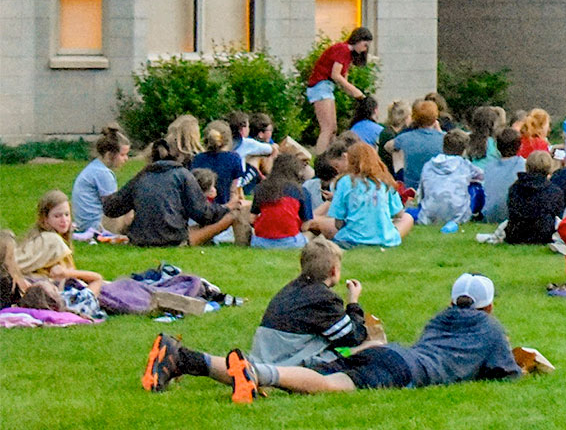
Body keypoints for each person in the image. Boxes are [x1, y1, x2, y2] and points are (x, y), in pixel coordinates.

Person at [216, 274, 527, 402]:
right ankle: (255, 374)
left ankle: (194, 360)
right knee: (330, 386)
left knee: (314, 374)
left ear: (452, 302)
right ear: (490, 306)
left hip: (388, 352)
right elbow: (506, 373)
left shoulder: (440, 318)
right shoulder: (491, 328)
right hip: (402, 368)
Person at [144, 238, 369, 395]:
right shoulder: (324, 298)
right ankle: (181, 357)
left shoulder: (292, 288)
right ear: (333, 271)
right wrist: (353, 303)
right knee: (348, 361)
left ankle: (181, 357)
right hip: (286, 353)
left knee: (248, 368)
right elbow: (351, 338)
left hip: (270, 345)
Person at [101, 124, 239, 247]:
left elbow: (112, 209)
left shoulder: (141, 177)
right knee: (231, 216)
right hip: (173, 239)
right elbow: (203, 214)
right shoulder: (182, 175)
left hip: (140, 239)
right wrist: (226, 207)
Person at [328, 142, 412, 248]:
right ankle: (387, 237)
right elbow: (398, 213)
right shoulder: (385, 180)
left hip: (352, 239)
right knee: (407, 217)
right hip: (384, 238)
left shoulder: (345, 182)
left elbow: (338, 222)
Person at [17, 190, 103, 291]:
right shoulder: (51, 240)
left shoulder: (47, 238)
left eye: (67, 214)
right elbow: (67, 275)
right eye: (57, 216)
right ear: (44, 219)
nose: (64, 220)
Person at [307, 27, 372, 152]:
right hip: (320, 86)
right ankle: (321, 159)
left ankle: (331, 156)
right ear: (358, 40)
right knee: (327, 128)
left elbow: (343, 81)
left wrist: (356, 95)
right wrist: (355, 91)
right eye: (365, 45)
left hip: (326, 87)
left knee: (333, 128)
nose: (365, 49)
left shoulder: (347, 55)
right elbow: (335, 75)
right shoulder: (343, 49)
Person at [247, 153, 317, 249]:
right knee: (311, 234)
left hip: (260, 241)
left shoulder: (262, 188)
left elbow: (251, 218)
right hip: (290, 241)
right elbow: (305, 225)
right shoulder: (301, 192)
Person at [72, 125, 130, 238]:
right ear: (109, 155)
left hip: (84, 223)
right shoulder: (103, 173)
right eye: (122, 155)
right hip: (95, 225)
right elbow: (113, 206)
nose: (126, 159)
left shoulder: (94, 168)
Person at [418, 131, 482, 228]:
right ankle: (476, 214)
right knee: (476, 187)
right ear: (464, 150)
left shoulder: (429, 165)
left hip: (428, 214)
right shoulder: (464, 165)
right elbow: (482, 176)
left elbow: (422, 191)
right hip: (458, 216)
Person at [503, 150, 566, 245]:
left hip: (515, 234)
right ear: (549, 168)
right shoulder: (555, 192)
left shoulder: (514, 188)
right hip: (543, 236)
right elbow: (558, 214)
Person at [386, 101, 447, 191]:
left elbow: (387, 146)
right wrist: (439, 130)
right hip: (437, 188)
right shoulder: (444, 139)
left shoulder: (405, 138)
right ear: (435, 118)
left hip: (411, 190)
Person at [190, 121, 247, 208]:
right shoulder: (234, 158)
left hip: (200, 209)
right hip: (224, 208)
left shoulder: (197, 159)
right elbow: (233, 191)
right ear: (228, 139)